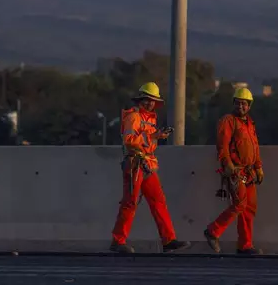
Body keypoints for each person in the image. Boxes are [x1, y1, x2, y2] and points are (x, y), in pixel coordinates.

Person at [110, 82, 191, 254]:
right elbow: (129, 141)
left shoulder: (150, 119)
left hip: (147, 166)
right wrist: (154, 136)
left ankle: (168, 240)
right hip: (135, 164)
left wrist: (156, 136)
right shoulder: (133, 117)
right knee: (130, 203)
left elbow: (145, 142)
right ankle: (118, 241)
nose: (149, 103)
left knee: (158, 202)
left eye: (152, 100)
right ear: (140, 100)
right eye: (147, 100)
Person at [204, 87, 264, 255]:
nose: (240, 107)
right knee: (240, 204)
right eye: (238, 103)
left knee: (249, 207)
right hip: (235, 171)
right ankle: (213, 231)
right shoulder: (228, 121)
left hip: (249, 172)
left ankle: (245, 245)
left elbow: (255, 147)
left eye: (244, 104)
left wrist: (258, 167)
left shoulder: (250, 124)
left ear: (249, 106)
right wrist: (227, 164)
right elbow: (222, 145)